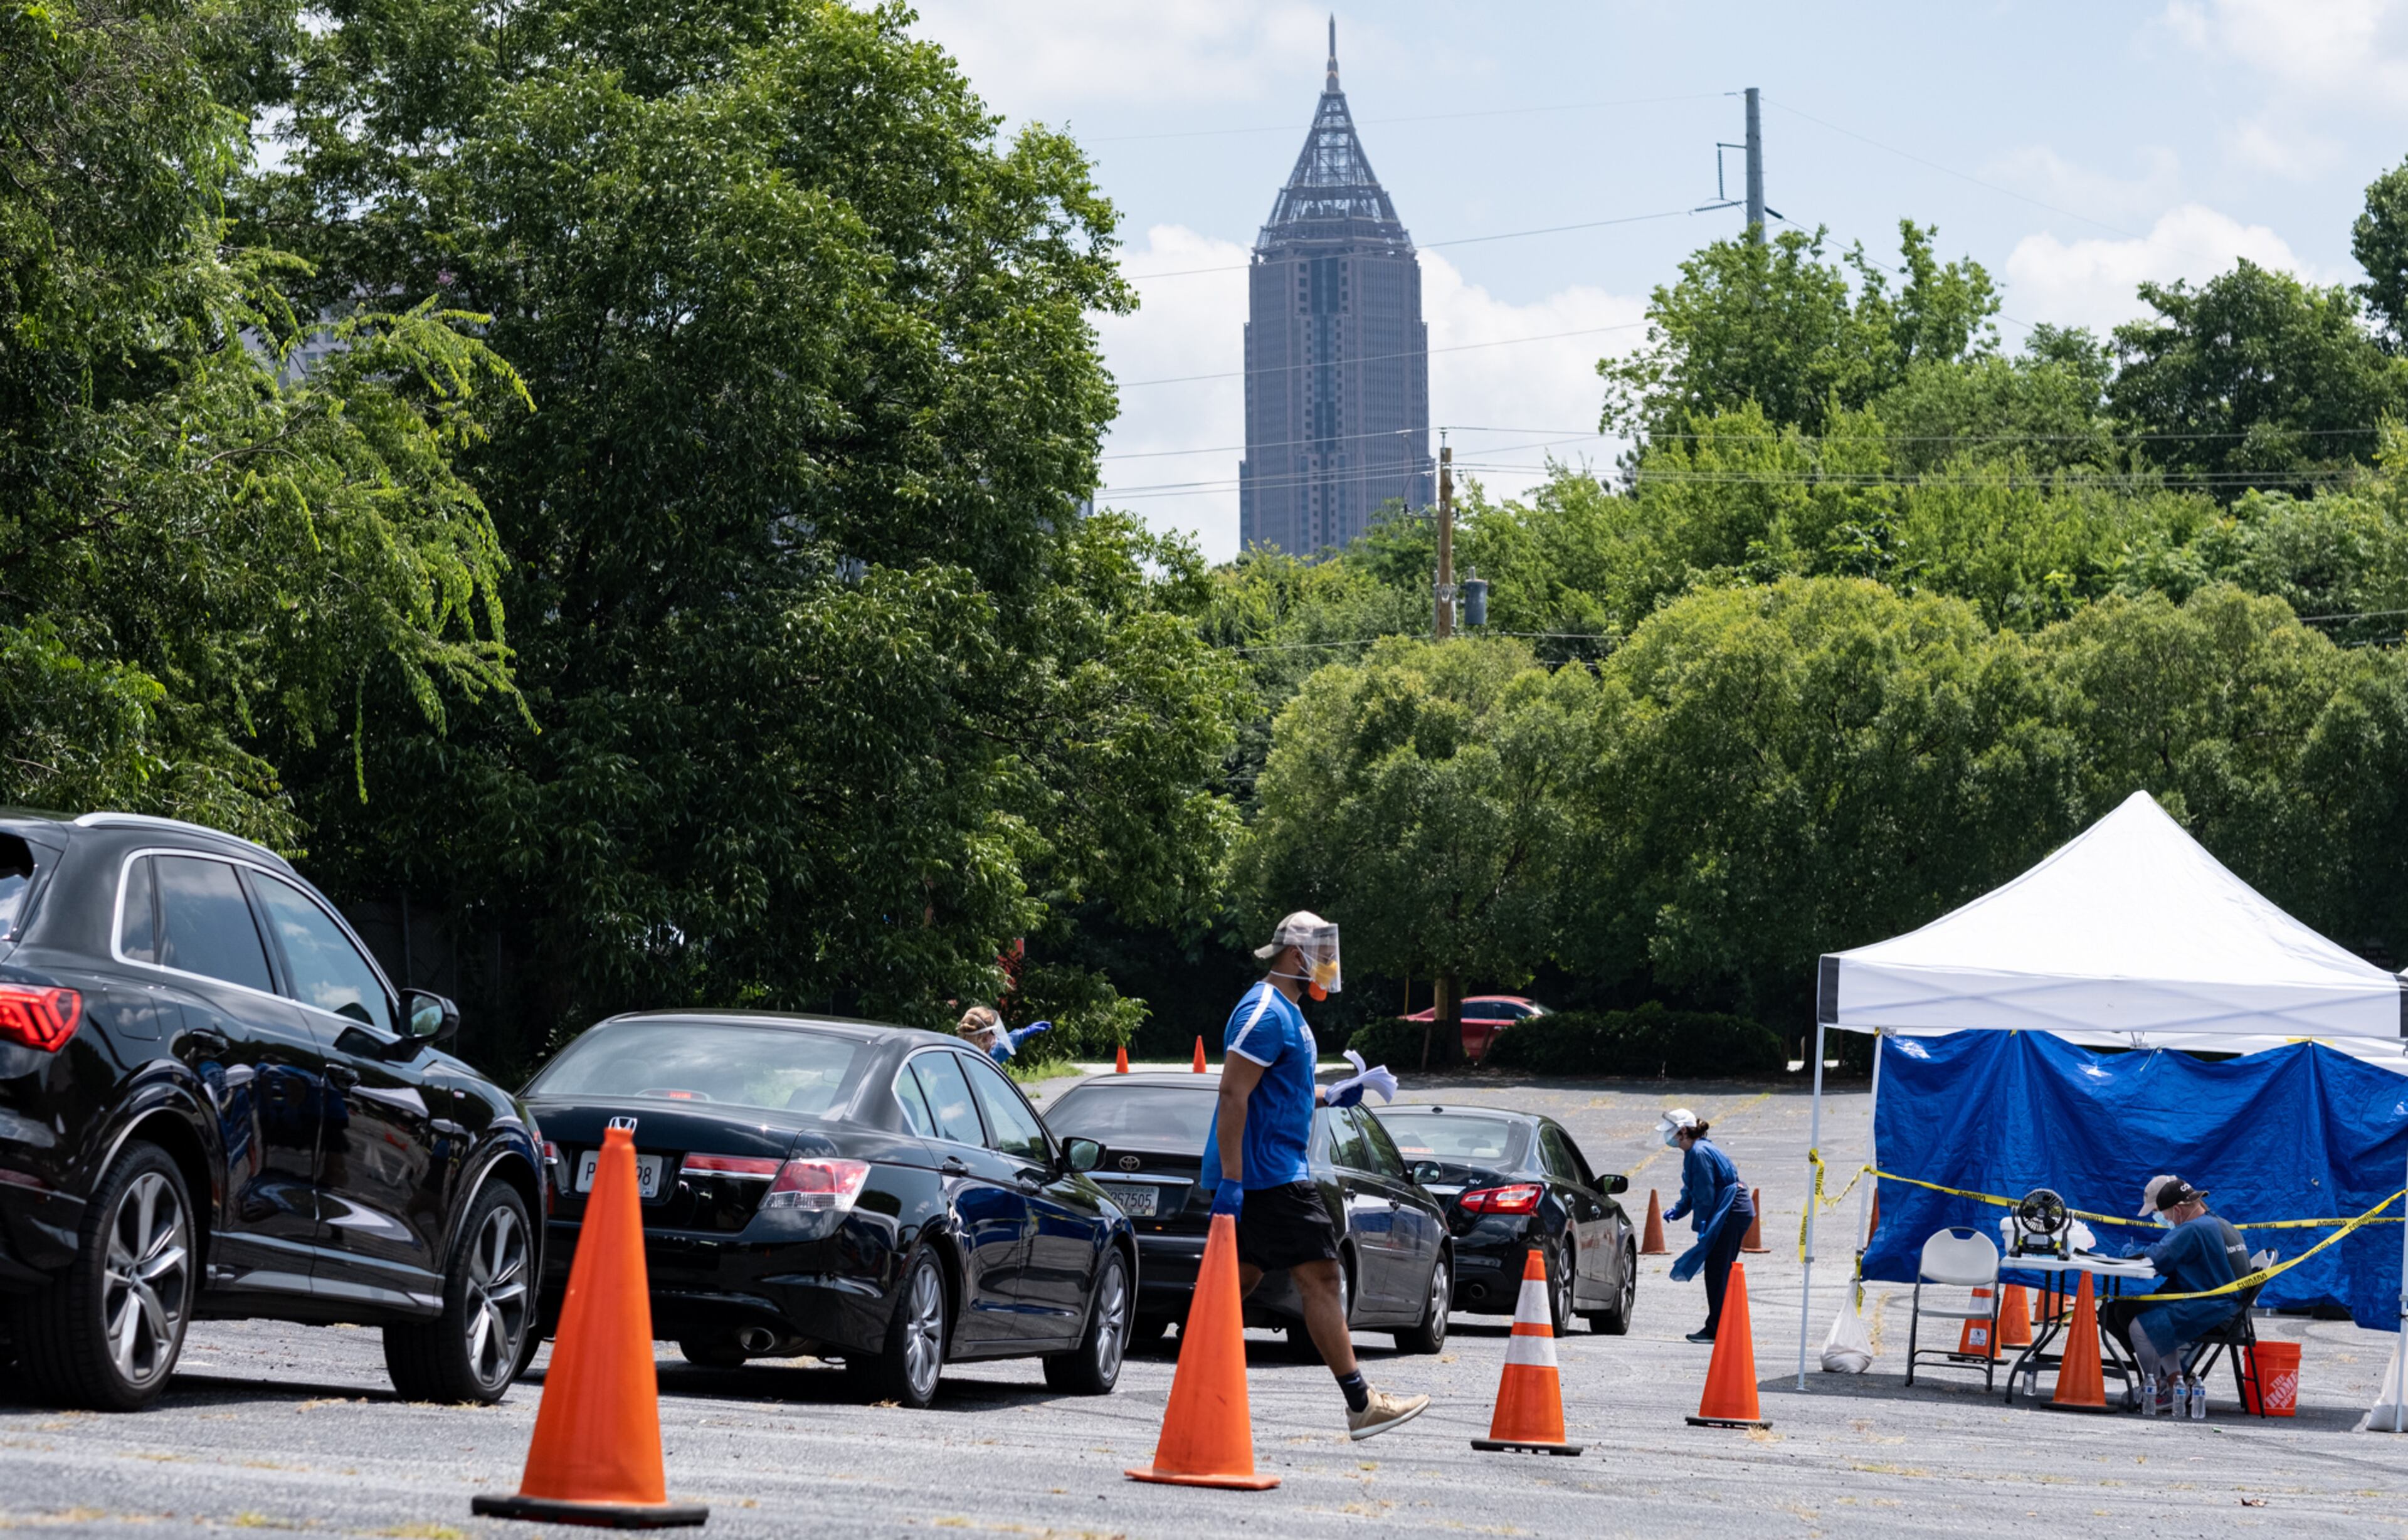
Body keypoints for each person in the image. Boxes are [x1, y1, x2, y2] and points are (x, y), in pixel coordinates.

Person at [1201, 910, 1428, 1441]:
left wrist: (1336, 1094)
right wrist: (1233, 1181)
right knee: (1323, 1277)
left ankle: (1198, 1381)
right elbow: (1234, 1094)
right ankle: (1361, 1402)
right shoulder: (1264, 1012)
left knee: (1238, 1283)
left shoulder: (1291, 1014)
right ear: (1293, 954)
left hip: (1271, 1171)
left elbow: (1282, 1095)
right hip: (1267, 1177)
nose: (1329, 964)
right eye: (1322, 953)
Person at [2099, 1175, 2251, 1413]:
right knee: (2141, 1314)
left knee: (2143, 1326)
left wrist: (2128, 1250)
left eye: (2165, 1214)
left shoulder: (2192, 1229)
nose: (2164, 1219)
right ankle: (2173, 1382)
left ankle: (2158, 1388)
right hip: (2228, 1308)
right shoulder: (2220, 1222)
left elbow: (2155, 1258)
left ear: (2179, 1210)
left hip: (2218, 1310)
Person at [1658, 1109, 1755, 1344]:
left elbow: (1704, 1195)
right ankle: (1722, 1325)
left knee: (1717, 1270)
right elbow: (1693, 1189)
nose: (1668, 1137)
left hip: (1730, 1210)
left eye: (1671, 1132)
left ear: (1682, 1132)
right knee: (1718, 1268)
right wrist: (1680, 1209)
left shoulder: (1699, 1153)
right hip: (1731, 1208)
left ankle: (1717, 1328)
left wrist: (1702, 1225)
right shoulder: (1696, 1151)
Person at [954, 1006, 1050, 1064]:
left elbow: (1005, 1044)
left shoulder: (954, 1053)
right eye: (994, 1032)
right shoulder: (983, 1061)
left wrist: (1024, 1033)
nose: (996, 1036)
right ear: (984, 1037)